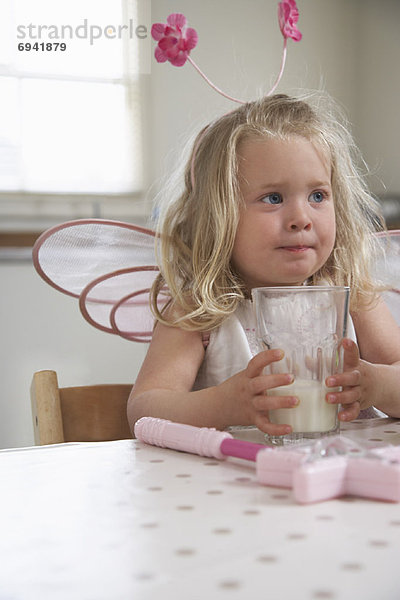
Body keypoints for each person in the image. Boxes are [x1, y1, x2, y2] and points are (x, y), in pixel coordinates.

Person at [127, 92, 400, 437]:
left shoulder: (351, 294)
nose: (301, 218)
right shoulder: (199, 311)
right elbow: (142, 410)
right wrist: (223, 404)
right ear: (219, 215)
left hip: (341, 482)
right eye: (273, 198)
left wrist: (376, 385)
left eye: (318, 196)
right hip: (231, 486)